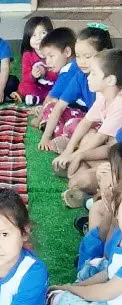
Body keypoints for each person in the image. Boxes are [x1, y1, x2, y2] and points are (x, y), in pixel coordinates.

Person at [49, 185, 122, 305]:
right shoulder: (119, 235)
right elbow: (107, 273)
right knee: (95, 266)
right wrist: (74, 286)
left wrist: (71, 290)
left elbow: (106, 291)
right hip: (111, 303)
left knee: (63, 304)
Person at [53, 48, 122, 206]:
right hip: (111, 153)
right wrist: (69, 151)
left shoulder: (119, 103)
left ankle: (92, 197)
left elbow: (108, 145)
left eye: (94, 74)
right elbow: (86, 122)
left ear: (110, 80)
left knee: (80, 179)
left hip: (116, 160)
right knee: (87, 138)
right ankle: (86, 182)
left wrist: (78, 156)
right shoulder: (103, 96)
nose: (88, 77)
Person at [38, 25, 113, 153]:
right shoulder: (80, 76)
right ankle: (73, 141)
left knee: (88, 135)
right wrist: (45, 137)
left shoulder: (110, 79)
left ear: (104, 54)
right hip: (90, 119)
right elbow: (60, 106)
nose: (81, 62)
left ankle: (73, 142)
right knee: (52, 107)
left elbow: (109, 121)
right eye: (78, 56)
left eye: (87, 56)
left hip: (106, 125)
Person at [33, 27, 77, 128]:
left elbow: (50, 98)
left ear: (67, 52)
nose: (47, 61)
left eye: (51, 56)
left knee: (51, 106)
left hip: (84, 112)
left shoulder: (67, 72)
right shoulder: (75, 65)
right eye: (45, 57)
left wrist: (38, 119)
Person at [18, 16, 55, 106]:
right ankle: (40, 97)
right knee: (23, 86)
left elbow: (59, 73)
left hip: (52, 85)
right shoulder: (27, 55)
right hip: (36, 86)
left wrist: (45, 72)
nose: (38, 38)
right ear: (28, 38)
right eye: (34, 35)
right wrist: (32, 75)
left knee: (61, 87)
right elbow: (25, 76)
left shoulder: (55, 52)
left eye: (43, 33)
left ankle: (37, 98)